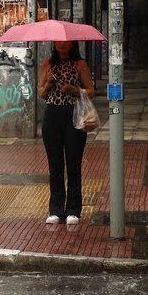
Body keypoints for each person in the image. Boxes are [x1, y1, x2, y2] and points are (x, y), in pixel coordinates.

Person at [37, 41, 95, 226]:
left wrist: (74, 90)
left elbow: (92, 92)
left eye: (66, 43)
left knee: (73, 165)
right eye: (59, 42)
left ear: (72, 44)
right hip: (52, 116)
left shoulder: (80, 65)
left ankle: (73, 210)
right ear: (54, 44)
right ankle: (55, 209)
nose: (62, 45)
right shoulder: (47, 64)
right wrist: (47, 85)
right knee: (55, 166)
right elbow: (41, 93)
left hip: (74, 116)